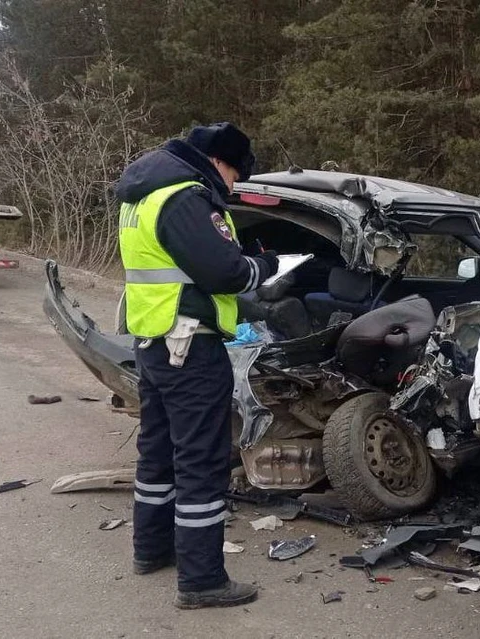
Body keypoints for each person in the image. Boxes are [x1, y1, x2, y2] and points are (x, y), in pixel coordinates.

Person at [114, 122, 278, 609]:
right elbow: (225, 273)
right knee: (201, 462)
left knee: (158, 452)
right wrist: (264, 267)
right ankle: (202, 580)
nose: (232, 188)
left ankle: (151, 550)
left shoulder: (141, 197)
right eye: (234, 177)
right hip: (191, 346)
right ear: (221, 163)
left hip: (155, 339)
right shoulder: (186, 197)